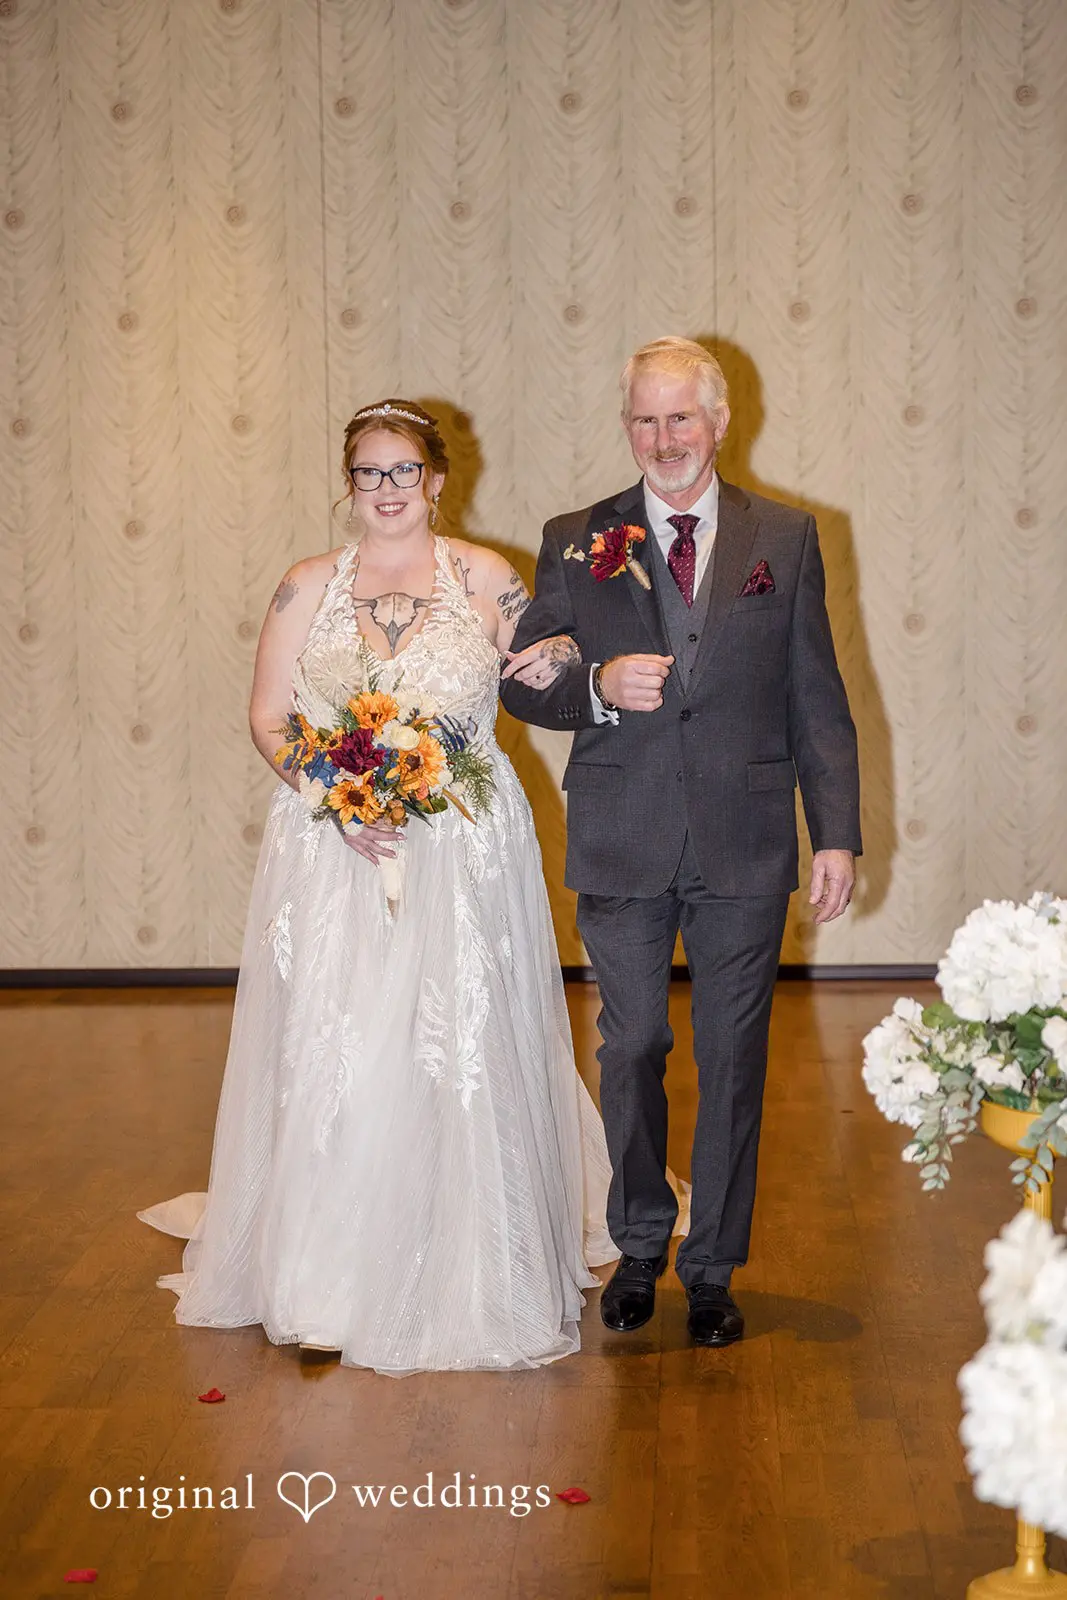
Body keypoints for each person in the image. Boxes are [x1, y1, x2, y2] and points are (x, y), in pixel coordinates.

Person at [139, 399, 682, 1375]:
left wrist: (598, 654)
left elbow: (544, 674)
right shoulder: (304, 587)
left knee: (454, 1039)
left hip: (463, 840)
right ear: (348, 485)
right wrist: (335, 794)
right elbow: (268, 717)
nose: (386, 490)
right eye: (367, 474)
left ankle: (468, 1256)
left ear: (435, 479)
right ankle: (324, 1276)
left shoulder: (488, 578)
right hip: (334, 846)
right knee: (342, 1044)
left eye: (403, 472)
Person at [500, 338, 861, 1348]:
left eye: (680, 418)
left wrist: (833, 832)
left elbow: (815, 695)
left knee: (733, 1053)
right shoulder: (577, 539)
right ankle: (638, 1248)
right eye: (643, 420)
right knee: (635, 1046)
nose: (662, 439)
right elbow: (522, 676)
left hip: (745, 839)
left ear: (717, 420)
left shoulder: (782, 537)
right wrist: (597, 689)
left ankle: (710, 1268)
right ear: (627, 427)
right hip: (621, 833)